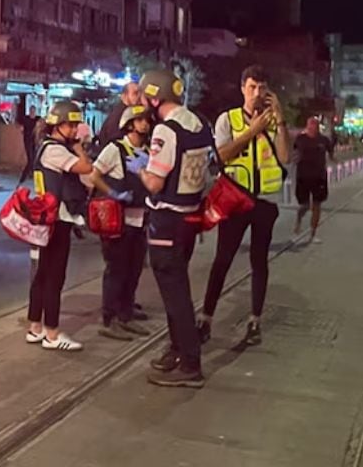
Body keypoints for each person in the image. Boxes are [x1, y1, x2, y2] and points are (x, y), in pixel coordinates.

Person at [199, 65, 289, 349]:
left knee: (259, 262)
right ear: (242, 88)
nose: (257, 93)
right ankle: (206, 318)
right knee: (222, 259)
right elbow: (222, 155)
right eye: (251, 87)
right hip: (235, 201)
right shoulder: (228, 119)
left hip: (264, 203)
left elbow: (285, 157)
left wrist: (282, 121)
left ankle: (254, 320)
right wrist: (252, 132)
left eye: (262, 88)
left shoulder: (274, 122)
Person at [137, 69, 215, 387]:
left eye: (145, 96)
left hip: (167, 220)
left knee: (175, 292)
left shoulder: (165, 132)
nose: (142, 102)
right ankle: (178, 349)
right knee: (176, 286)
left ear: (155, 98)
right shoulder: (198, 125)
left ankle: (191, 364)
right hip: (190, 217)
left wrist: (138, 170)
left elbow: (155, 182)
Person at [26, 100, 94, 351]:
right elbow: (86, 167)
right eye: (72, 125)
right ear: (59, 125)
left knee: (43, 274)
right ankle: (52, 333)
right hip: (59, 218)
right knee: (55, 276)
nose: (76, 130)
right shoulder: (56, 150)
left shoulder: (45, 146)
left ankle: (35, 327)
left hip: (48, 217)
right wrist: (78, 148)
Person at [89, 104, 153, 340]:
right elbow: (94, 176)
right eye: (140, 120)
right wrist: (113, 193)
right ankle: (109, 318)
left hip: (140, 219)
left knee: (134, 268)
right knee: (116, 269)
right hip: (118, 222)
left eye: (146, 120)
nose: (145, 124)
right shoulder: (115, 149)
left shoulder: (146, 150)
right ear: (129, 123)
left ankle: (125, 313)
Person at [293, 116, 335, 241]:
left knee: (317, 205)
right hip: (303, 176)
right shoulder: (300, 139)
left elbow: (331, 153)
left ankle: (313, 233)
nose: (313, 127)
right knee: (305, 205)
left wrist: (335, 161)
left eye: (315, 124)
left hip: (319, 177)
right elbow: (294, 153)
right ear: (307, 125)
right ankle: (298, 221)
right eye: (310, 124)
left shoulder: (324, 140)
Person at [94, 81, 141, 151]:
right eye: (135, 93)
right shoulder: (119, 116)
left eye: (140, 94)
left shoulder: (127, 113)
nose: (139, 97)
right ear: (124, 96)